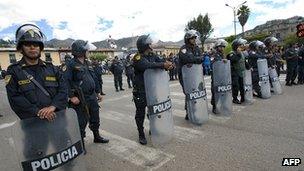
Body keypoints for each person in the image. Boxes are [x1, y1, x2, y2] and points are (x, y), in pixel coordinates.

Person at [5, 23, 71, 159]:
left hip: (57, 121)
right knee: (35, 159)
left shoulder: (52, 68)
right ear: (21, 48)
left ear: (40, 47)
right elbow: (15, 99)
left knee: (65, 155)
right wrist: (39, 113)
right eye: (27, 44)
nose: (32, 47)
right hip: (33, 126)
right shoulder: (14, 71)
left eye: (36, 44)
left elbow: (63, 90)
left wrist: (52, 107)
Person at [65, 40, 109, 150]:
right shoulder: (70, 64)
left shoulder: (87, 63)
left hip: (91, 96)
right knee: (81, 122)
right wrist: (71, 96)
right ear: (80, 51)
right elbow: (65, 82)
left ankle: (96, 136)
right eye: (86, 49)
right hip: (79, 98)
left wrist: (98, 92)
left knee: (95, 118)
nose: (88, 51)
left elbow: (94, 78)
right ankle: (81, 144)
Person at [133, 34, 173, 145]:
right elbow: (147, 66)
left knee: (154, 110)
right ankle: (141, 134)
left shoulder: (152, 55)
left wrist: (169, 65)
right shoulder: (137, 58)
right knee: (140, 113)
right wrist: (162, 65)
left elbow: (160, 62)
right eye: (149, 44)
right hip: (141, 91)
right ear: (144, 46)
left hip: (152, 89)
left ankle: (153, 128)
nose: (151, 45)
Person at [178, 30, 203, 120]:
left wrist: (193, 59)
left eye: (195, 38)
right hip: (185, 75)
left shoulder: (197, 48)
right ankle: (188, 111)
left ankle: (194, 110)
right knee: (188, 92)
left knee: (195, 92)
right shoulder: (183, 48)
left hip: (195, 74)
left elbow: (201, 58)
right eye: (192, 38)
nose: (194, 39)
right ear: (187, 39)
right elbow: (185, 58)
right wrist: (195, 59)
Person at [227, 38, 248, 104]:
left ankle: (243, 97)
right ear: (236, 46)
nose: (241, 46)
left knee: (242, 85)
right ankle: (235, 98)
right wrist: (238, 54)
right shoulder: (231, 53)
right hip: (235, 72)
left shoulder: (242, 53)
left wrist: (248, 67)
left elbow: (244, 61)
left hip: (241, 72)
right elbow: (233, 60)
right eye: (240, 45)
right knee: (236, 86)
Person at [211, 39, 228, 114]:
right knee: (215, 92)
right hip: (216, 76)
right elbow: (214, 62)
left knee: (223, 91)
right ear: (217, 47)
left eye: (223, 47)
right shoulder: (214, 54)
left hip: (222, 76)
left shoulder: (223, 54)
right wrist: (221, 61)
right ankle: (214, 106)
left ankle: (223, 105)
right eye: (221, 47)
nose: (222, 48)